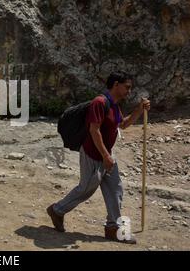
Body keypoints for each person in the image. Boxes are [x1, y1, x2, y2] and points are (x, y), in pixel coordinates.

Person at [47, 71, 151, 244]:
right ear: (116, 84)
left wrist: (139, 110)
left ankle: (113, 228)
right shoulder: (99, 103)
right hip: (93, 154)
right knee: (86, 189)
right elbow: (93, 130)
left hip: (106, 155)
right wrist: (105, 155)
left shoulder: (114, 105)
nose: (129, 91)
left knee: (116, 190)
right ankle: (57, 210)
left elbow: (123, 124)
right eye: (127, 87)